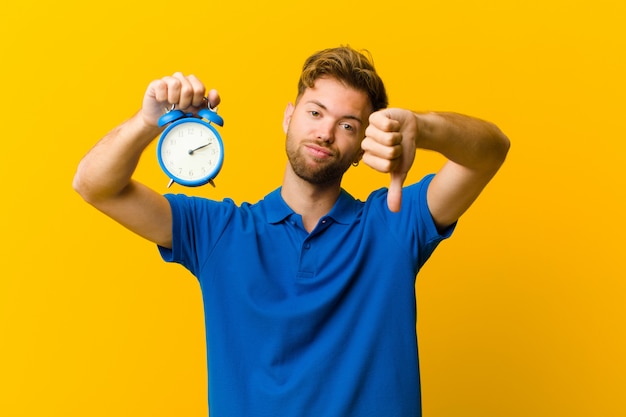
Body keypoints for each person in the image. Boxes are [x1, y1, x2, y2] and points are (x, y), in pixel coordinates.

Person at [73, 46, 510, 416]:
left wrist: (423, 126)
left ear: (361, 147)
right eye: (315, 112)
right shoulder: (220, 231)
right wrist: (148, 122)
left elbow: (490, 152)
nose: (325, 132)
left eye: (347, 125)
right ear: (288, 117)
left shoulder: (394, 222)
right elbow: (94, 185)